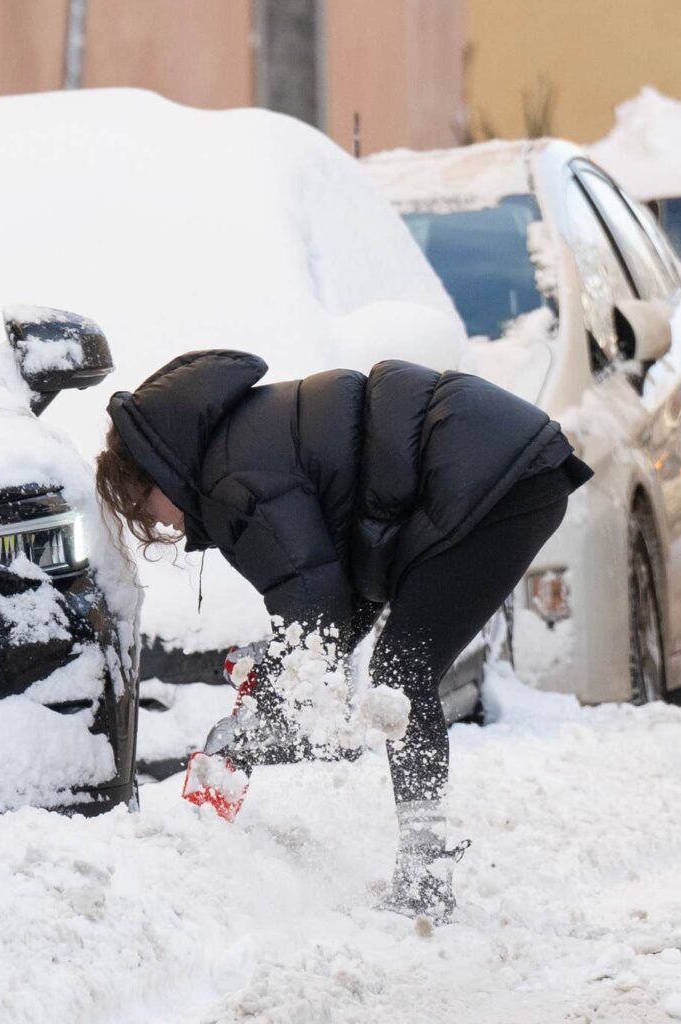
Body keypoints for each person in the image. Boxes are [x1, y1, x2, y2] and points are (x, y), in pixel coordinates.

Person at [96, 349, 591, 919]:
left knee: (402, 676)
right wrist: (274, 688)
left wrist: (251, 721)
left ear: (160, 470)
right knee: (398, 670)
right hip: (501, 459)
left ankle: (424, 876)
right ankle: (423, 871)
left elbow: (317, 612)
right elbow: (337, 603)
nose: (155, 522)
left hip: (492, 473)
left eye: (142, 503)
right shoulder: (235, 453)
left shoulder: (231, 481)